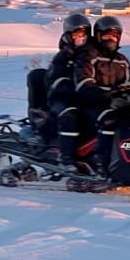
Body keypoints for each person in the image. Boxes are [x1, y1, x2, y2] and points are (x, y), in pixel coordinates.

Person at [73, 15, 130, 177]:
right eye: (106, 35)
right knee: (110, 120)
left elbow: (129, 83)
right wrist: (107, 97)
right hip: (91, 102)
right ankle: (101, 161)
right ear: (98, 36)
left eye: (114, 35)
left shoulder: (122, 60)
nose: (111, 39)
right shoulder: (90, 56)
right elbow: (84, 83)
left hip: (116, 103)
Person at [45, 13, 93, 172]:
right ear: (69, 35)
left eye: (84, 34)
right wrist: (72, 89)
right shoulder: (63, 56)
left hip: (84, 97)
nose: (81, 38)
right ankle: (66, 159)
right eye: (77, 34)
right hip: (61, 99)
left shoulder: (90, 55)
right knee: (70, 114)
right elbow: (54, 80)